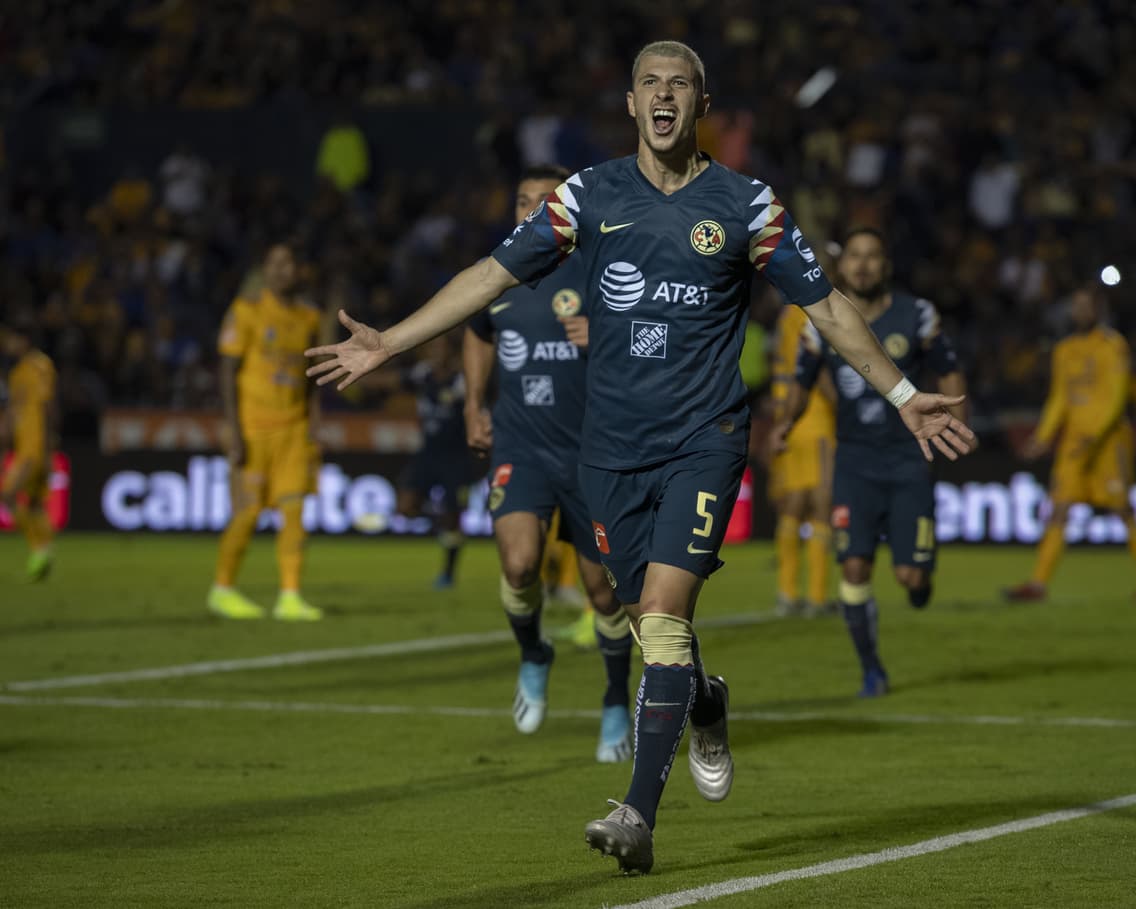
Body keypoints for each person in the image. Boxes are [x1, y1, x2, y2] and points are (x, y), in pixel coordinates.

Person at [306, 40, 974, 874]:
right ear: (629, 104)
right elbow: (491, 274)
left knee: (660, 620)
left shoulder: (748, 204)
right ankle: (706, 701)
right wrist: (391, 343)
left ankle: (637, 814)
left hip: (705, 438)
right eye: (649, 84)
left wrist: (906, 396)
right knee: (650, 627)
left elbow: (827, 307)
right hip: (609, 452)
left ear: (703, 105)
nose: (664, 96)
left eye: (680, 84)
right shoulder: (588, 195)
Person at [462, 164, 633, 762]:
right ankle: (534, 653)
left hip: (595, 451)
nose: (532, 209)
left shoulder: (603, 267)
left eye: (546, 200)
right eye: (522, 199)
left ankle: (616, 699)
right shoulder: (499, 274)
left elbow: (654, 336)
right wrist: (472, 404)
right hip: (521, 444)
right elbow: (478, 333)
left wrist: (607, 334)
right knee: (518, 563)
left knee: (604, 595)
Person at [773, 228, 968, 697]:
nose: (861, 265)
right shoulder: (818, 321)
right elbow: (802, 379)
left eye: (872, 256)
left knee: (910, 577)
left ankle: (919, 579)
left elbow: (948, 368)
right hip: (854, 461)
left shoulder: (916, 314)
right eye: (854, 256)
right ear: (842, 267)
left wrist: (957, 422)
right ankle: (871, 669)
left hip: (907, 459)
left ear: (886, 265)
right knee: (855, 568)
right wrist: (786, 422)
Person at [1004, 285, 1136, 602]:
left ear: (1098, 310)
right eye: (1075, 305)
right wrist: (1042, 438)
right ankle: (1038, 584)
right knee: (1059, 509)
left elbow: (1117, 398)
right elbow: (1059, 399)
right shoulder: (1065, 350)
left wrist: (1095, 434)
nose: (1080, 312)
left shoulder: (1113, 346)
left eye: (1086, 306)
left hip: (1107, 442)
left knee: (1123, 510)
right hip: (1074, 443)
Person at [207, 244, 323, 621]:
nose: (281, 271)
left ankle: (290, 595)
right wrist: (232, 429)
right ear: (265, 271)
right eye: (273, 264)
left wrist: (313, 427)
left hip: (293, 430)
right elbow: (227, 371)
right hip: (253, 429)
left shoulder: (309, 317)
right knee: (247, 513)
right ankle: (222, 589)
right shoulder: (247, 311)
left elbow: (312, 381)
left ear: (298, 271)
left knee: (294, 513)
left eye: (288, 263)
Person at [769, 302, 837, 617]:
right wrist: (844, 406)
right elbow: (817, 364)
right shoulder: (814, 311)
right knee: (821, 502)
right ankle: (817, 598)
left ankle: (787, 593)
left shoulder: (787, 314)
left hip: (787, 407)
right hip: (814, 411)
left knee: (794, 501)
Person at [396, 333, 478, 589]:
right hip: (427, 453)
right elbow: (394, 380)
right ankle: (437, 521)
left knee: (454, 518)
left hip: (455, 457)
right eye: (432, 348)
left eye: (440, 348)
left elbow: (479, 408)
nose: (435, 353)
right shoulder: (422, 374)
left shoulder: (461, 382)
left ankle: (448, 573)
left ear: (450, 353)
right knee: (405, 507)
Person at [1, 322, 58, 582]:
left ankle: (40, 551)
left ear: (24, 339)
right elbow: (13, 416)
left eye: (12, 339)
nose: (8, 345)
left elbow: (47, 406)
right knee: (35, 503)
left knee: (8, 494)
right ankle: (43, 553)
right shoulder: (14, 375)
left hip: (35, 449)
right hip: (25, 447)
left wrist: (48, 448)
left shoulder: (38, 365)